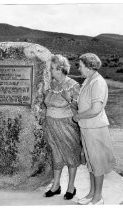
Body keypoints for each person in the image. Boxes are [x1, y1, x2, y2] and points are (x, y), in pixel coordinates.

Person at [74, 53, 116, 205]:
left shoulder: (97, 82)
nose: (79, 68)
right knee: (91, 163)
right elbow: (86, 104)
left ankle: (98, 198)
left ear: (89, 67)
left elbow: (95, 109)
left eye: (80, 65)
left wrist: (78, 116)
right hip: (88, 127)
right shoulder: (88, 80)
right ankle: (92, 193)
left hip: (95, 128)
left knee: (97, 163)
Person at [42, 54, 83, 200]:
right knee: (56, 155)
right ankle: (56, 186)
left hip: (66, 126)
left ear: (60, 69)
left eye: (52, 69)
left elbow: (80, 107)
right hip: (51, 125)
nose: (50, 71)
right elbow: (46, 102)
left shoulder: (73, 85)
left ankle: (71, 187)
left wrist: (68, 99)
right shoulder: (52, 84)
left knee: (71, 155)